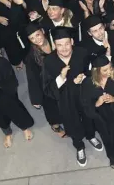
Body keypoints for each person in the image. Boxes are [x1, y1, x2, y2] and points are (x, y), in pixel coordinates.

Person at [42, 27, 103, 167]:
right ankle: (79, 146)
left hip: (83, 94)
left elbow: (91, 70)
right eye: (59, 45)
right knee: (71, 121)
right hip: (65, 99)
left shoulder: (82, 53)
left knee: (88, 117)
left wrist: (85, 77)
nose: (63, 48)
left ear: (72, 41)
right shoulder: (49, 61)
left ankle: (91, 136)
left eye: (66, 43)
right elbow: (46, 88)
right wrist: (61, 77)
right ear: (54, 45)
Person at [24, 22, 64, 137]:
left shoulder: (56, 42)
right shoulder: (32, 57)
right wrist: (36, 99)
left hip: (63, 78)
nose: (36, 40)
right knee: (52, 108)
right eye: (32, 38)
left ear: (42, 31)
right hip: (47, 84)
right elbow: (32, 78)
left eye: (37, 35)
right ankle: (55, 126)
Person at [0, 54, 34, 148]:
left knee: (13, 108)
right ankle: (7, 132)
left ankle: (24, 127)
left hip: (5, 92)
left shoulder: (1, 63)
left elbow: (12, 83)